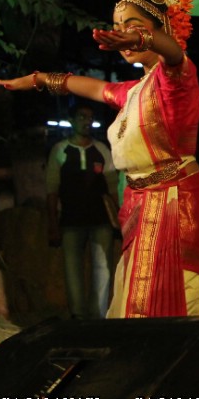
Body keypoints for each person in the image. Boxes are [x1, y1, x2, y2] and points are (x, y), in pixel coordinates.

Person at [0, 0, 199, 317]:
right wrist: (40, 80)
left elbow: (173, 53)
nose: (123, 36)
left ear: (161, 29)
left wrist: (146, 39)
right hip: (143, 207)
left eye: (132, 27)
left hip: (177, 206)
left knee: (173, 309)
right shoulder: (133, 91)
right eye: (118, 27)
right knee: (132, 307)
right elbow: (93, 88)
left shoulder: (177, 80)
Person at [46, 103, 118, 319]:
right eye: (81, 117)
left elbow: (113, 186)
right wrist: (52, 224)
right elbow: (52, 190)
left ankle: (98, 317)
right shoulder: (60, 150)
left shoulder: (102, 150)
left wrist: (121, 215)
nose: (86, 121)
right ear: (71, 120)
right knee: (72, 270)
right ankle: (78, 316)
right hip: (70, 220)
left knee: (103, 270)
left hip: (101, 219)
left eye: (90, 117)